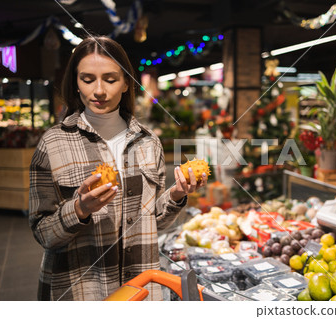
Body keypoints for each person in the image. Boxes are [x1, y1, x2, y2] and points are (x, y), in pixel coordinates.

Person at [29, 36, 207, 301]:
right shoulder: (53, 144)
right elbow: (43, 232)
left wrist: (177, 195)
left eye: (110, 79)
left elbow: (152, 223)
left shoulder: (148, 142)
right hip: (81, 291)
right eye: (87, 79)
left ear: (126, 83)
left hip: (140, 289)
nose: (99, 90)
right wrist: (80, 210)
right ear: (76, 84)